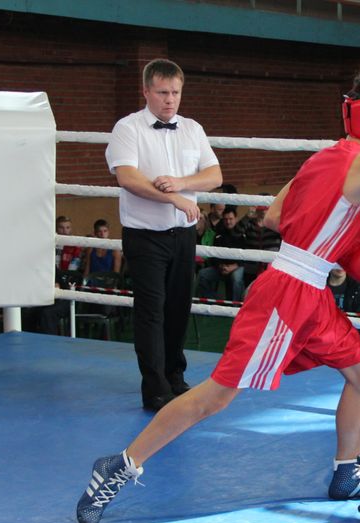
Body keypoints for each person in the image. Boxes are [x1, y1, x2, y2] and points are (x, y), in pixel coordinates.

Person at [75, 70, 360, 523]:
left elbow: (276, 217)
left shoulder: (325, 157)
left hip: (310, 288)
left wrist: (341, 246)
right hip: (288, 294)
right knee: (214, 397)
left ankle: (346, 471)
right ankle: (119, 466)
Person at [105, 58, 223, 411]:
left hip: (183, 235)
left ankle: (174, 375)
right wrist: (173, 198)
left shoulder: (192, 129)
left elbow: (215, 175)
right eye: (162, 92)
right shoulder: (128, 128)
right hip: (145, 235)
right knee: (150, 312)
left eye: (175, 92)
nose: (170, 99)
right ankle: (154, 387)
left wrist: (183, 184)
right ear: (146, 91)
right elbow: (127, 178)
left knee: (178, 309)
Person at [195, 206, 247, 301]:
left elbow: (246, 256)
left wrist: (234, 266)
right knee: (203, 274)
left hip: (236, 267)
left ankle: (234, 306)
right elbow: (213, 254)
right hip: (220, 268)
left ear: (236, 219)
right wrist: (220, 265)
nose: (228, 222)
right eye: (225, 219)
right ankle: (211, 302)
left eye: (230, 219)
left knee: (236, 278)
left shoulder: (242, 234)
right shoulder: (218, 234)